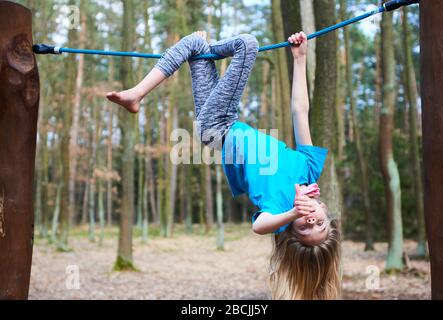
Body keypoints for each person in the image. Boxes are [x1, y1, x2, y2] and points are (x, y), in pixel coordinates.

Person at [106, 31, 341, 300]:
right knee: (195, 45)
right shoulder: (310, 169)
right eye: (319, 225)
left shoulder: (278, 208)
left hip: (217, 129)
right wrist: (300, 60)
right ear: (324, 211)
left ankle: (136, 94)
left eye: (304, 228)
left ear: (290, 228)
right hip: (225, 120)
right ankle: (137, 95)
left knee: (247, 44)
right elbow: (300, 111)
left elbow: (260, 226)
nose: (310, 221)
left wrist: (290, 215)